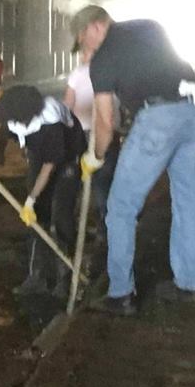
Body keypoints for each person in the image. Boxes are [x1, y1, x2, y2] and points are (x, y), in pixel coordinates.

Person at [75, 5, 195, 314]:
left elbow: (106, 123)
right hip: (192, 111)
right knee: (187, 199)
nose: (85, 46)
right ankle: (190, 283)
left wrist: (94, 157)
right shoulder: (149, 26)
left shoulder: (103, 59)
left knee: (120, 207)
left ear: (96, 26)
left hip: (157, 119)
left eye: (83, 38)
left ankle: (121, 293)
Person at [0, 85, 85, 297]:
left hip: (67, 158)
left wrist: (31, 199)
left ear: (24, 117)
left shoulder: (50, 123)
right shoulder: (13, 109)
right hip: (40, 153)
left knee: (60, 215)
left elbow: (49, 167)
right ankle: (37, 277)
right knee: (36, 218)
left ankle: (66, 279)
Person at [63, 45, 120, 275]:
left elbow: (67, 105)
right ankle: (106, 231)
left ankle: (90, 230)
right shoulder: (112, 72)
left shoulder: (77, 75)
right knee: (104, 183)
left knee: (91, 182)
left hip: (87, 133)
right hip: (108, 134)